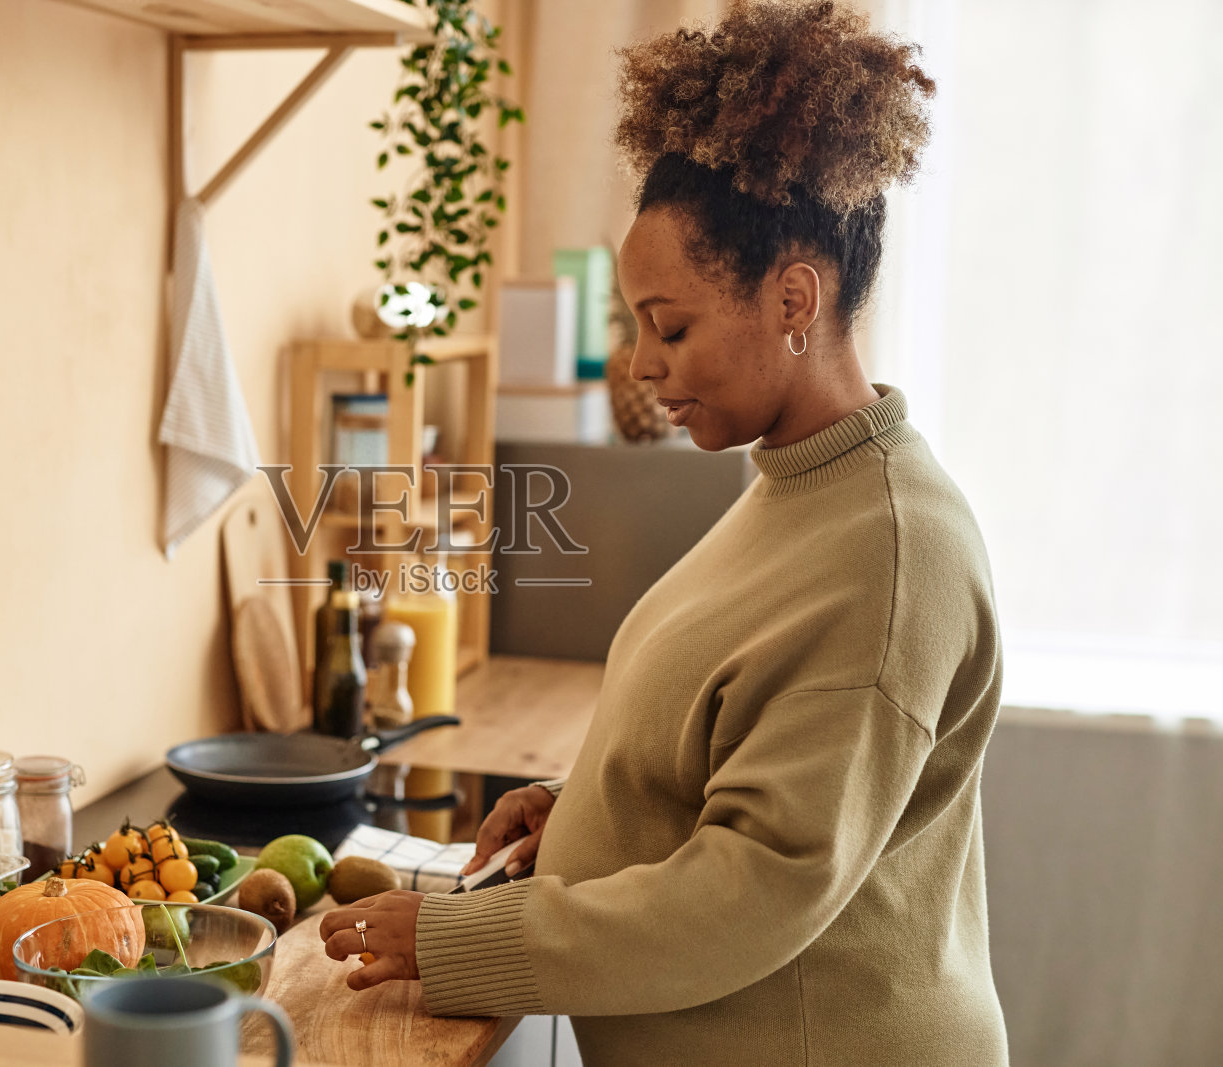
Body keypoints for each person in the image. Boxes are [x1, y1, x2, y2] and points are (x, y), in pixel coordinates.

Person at [318, 2, 1009, 1063]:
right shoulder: (793, 487)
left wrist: (459, 939)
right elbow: (727, 737)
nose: (641, 366)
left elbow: (752, 891)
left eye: (669, 325)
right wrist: (584, 803)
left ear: (792, 298)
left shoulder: (886, 551)